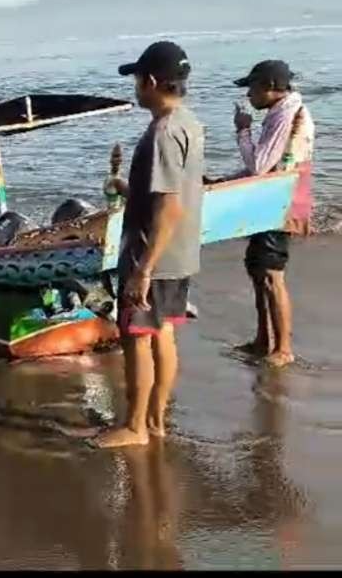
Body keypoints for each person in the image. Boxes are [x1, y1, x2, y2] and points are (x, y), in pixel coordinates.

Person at [94, 41, 205, 449]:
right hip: (180, 255)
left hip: (153, 257)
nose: (136, 88)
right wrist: (128, 186)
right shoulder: (189, 122)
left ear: (153, 81)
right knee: (163, 335)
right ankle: (156, 420)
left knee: (137, 338)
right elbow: (169, 192)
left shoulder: (162, 131)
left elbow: (169, 208)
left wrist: (142, 269)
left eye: (138, 80)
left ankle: (135, 426)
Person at [230, 60, 315, 368]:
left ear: (268, 87)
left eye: (251, 89)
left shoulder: (283, 115)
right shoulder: (288, 110)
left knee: (271, 274)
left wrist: (243, 130)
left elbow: (260, 165)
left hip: (278, 203)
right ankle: (264, 340)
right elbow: (270, 163)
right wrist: (227, 178)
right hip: (273, 199)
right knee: (258, 269)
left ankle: (283, 348)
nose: (249, 96)